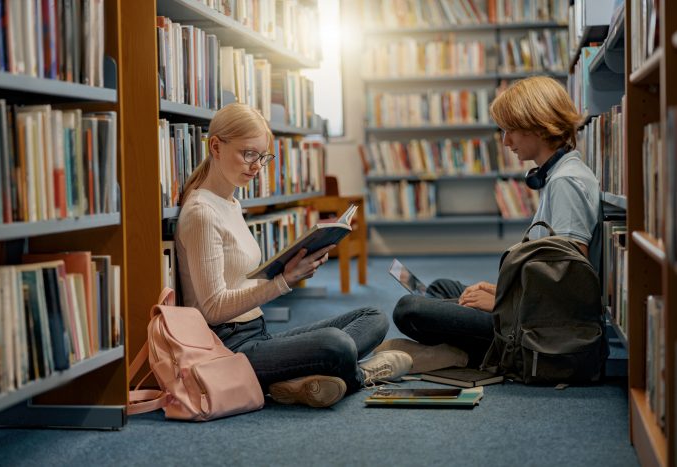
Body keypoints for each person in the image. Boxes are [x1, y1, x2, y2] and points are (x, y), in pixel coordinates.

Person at [175, 103, 412, 408]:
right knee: (335, 345)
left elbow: (239, 279)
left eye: (262, 157)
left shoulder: (231, 202)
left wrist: (290, 267)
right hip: (228, 349)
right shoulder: (201, 212)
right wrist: (283, 282)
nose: (257, 166)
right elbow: (211, 309)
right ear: (216, 147)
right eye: (248, 154)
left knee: (373, 317)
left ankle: (301, 379)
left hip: (257, 333)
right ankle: (360, 375)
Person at [379, 76, 601, 370]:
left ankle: (462, 354)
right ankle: (450, 349)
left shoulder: (566, 183)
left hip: (538, 328)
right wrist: (501, 291)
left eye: (510, 131)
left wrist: (501, 303)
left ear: (537, 125)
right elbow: (549, 272)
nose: (506, 141)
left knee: (409, 309)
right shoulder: (559, 174)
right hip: (527, 309)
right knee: (444, 288)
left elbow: (569, 288)